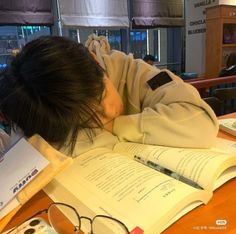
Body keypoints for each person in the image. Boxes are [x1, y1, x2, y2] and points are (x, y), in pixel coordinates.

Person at [0, 35, 219, 158]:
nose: (108, 112)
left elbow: (201, 122)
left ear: (96, 61)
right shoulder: (43, 107)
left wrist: (115, 126)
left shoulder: (135, 72)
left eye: (102, 94)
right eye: (89, 116)